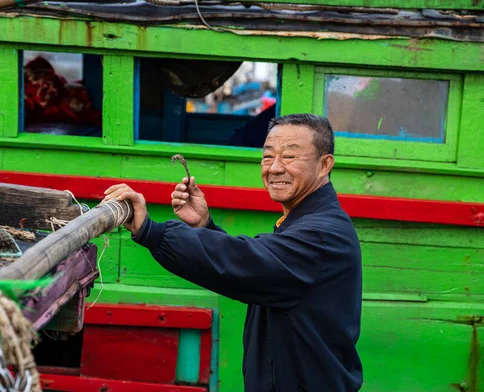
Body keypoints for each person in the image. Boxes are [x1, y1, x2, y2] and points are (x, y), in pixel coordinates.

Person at [102, 113, 363, 391]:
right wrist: (205, 226)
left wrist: (151, 231)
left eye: (289, 157)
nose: (274, 168)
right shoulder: (304, 222)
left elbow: (247, 261)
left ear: (324, 165)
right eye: (267, 157)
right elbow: (256, 273)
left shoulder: (322, 234)